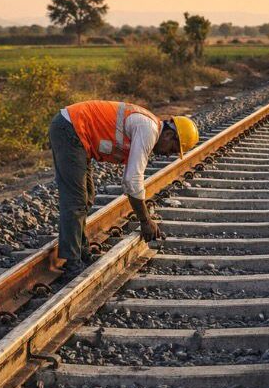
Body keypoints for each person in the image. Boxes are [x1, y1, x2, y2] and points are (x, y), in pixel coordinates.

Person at [49, 101, 199, 274]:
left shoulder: (148, 127)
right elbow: (132, 180)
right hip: (71, 128)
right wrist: (145, 220)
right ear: (169, 135)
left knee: (86, 197)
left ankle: (81, 252)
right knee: (75, 200)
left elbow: (130, 179)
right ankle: (72, 263)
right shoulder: (148, 130)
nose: (168, 154)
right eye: (173, 149)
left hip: (76, 131)